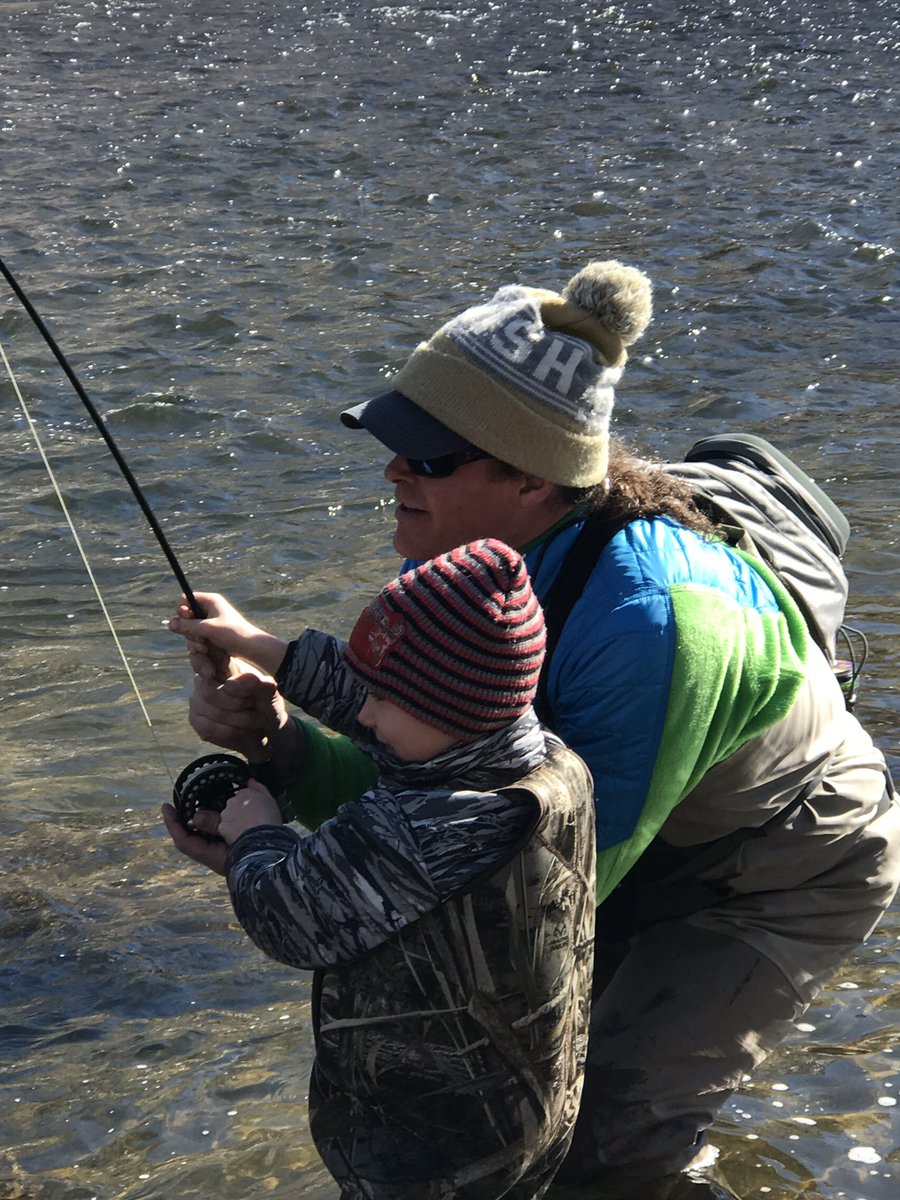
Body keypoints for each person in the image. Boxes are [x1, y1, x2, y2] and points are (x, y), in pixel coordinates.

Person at [167, 259, 900, 1199]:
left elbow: (525, 881)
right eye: (395, 439)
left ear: (530, 479)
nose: (393, 469)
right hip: (630, 820)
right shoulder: (475, 578)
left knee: (596, 1137)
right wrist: (285, 747)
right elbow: (451, 786)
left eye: (429, 456)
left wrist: (271, 857)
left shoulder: (650, 627)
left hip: (788, 861)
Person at [164, 538, 596, 1200]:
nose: (361, 714)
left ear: (447, 712)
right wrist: (254, 643)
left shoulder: (432, 826)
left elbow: (291, 916)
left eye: (381, 700)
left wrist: (255, 834)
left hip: (438, 1147)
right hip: (533, 1104)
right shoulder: (545, 761)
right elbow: (394, 710)